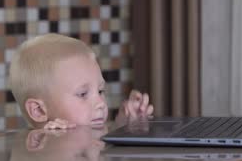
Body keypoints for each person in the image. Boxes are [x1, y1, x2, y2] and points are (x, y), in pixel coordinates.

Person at [8, 33, 154, 130]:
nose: (101, 104)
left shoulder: (87, 131)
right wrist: (51, 146)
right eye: (83, 94)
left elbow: (102, 144)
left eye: (100, 91)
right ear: (39, 110)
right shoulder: (44, 151)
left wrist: (126, 124)